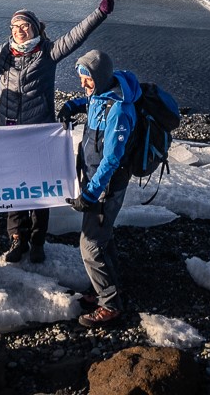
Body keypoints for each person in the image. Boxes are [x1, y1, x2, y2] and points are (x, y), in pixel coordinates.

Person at [0, 0, 117, 265]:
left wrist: (102, 11)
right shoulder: (3, 54)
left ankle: (37, 241)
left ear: (36, 29)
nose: (19, 31)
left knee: (38, 188)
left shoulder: (48, 53)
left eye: (24, 26)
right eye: (15, 27)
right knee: (13, 187)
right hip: (9, 134)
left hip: (39, 133)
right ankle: (17, 239)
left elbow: (77, 35)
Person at [57, 49, 139, 328]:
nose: (83, 84)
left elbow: (113, 159)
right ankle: (107, 285)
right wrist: (72, 106)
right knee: (101, 238)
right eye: (81, 78)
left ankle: (110, 304)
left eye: (87, 79)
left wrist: (91, 193)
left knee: (90, 244)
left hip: (104, 186)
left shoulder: (118, 110)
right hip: (94, 180)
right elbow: (91, 102)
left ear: (100, 77)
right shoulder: (102, 95)